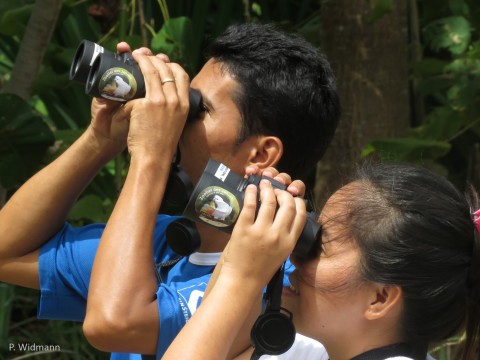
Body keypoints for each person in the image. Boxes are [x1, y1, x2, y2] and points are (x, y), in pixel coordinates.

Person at [0, 22, 340, 359]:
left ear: (261, 155)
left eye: (198, 109)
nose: (175, 114)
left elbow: (114, 323)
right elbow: (6, 252)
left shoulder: (280, 287)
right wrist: (99, 140)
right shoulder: (156, 242)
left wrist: (151, 155)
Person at [162, 162, 480, 360]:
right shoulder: (311, 350)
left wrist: (240, 275)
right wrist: (243, 237)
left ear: (380, 297)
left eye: (319, 247)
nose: (294, 257)